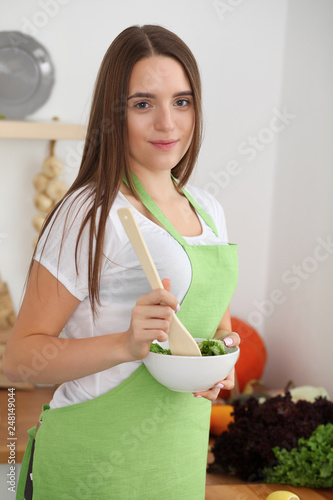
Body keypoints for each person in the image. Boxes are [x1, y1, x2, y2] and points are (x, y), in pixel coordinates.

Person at [3, 24, 239, 500]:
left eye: (181, 101)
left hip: (175, 466)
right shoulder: (89, 212)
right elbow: (20, 360)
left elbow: (217, 333)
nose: (167, 124)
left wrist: (221, 366)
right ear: (115, 114)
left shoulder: (208, 210)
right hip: (91, 466)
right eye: (142, 104)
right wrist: (127, 344)